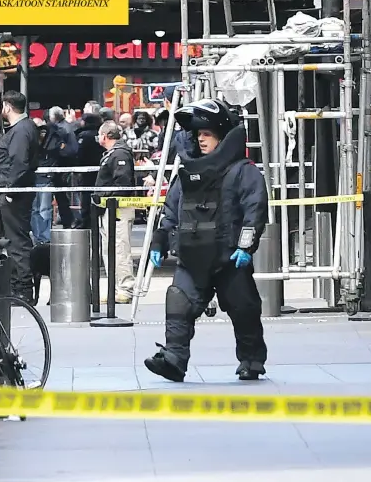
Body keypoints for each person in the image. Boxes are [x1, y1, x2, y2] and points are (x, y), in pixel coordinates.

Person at [144, 99, 269, 382]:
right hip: (191, 256)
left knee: (244, 308)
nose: (201, 140)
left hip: (229, 257)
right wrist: (160, 240)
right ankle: (174, 359)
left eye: (207, 134)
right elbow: (171, 210)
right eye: (197, 135)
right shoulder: (186, 175)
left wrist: (246, 246)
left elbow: (255, 208)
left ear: (222, 137)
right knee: (178, 302)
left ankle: (251, 360)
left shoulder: (242, 171)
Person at [0, 91, 39, 303]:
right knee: (16, 240)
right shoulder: (23, 129)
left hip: (14, 194)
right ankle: (21, 286)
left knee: (17, 242)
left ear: (7, 107)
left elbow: (19, 162)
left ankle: (23, 290)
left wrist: (10, 190)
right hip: (14, 192)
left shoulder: (20, 131)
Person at [94, 121, 136, 304]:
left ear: (105, 136)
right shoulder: (113, 154)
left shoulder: (119, 154)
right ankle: (115, 288)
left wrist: (105, 196)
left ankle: (125, 289)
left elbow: (122, 182)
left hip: (117, 208)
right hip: (109, 208)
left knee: (119, 248)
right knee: (110, 250)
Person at [30, 117, 67, 243]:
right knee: (37, 209)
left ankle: (44, 238)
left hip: (45, 178)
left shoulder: (52, 140)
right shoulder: (35, 140)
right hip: (36, 178)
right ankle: (38, 236)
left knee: (43, 209)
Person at [49, 106, 79, 228]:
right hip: (68, 165)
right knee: (67, 196)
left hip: (63, 166)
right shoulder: (69, 127)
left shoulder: (60, 130)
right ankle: (70, 219)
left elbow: (64, 149)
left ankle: (70, 220)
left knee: (64, 197)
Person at [73, 113, 104, 229]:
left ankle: (86, 220)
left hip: (86, 171)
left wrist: (76, 166)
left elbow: (79, 154)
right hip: (101, 170)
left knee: (86, 196)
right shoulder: (100, 134)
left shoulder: (83, 136)